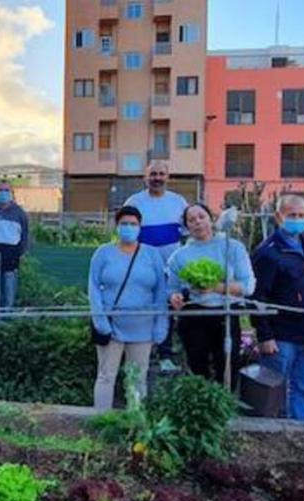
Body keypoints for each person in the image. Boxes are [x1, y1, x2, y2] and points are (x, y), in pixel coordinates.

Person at [250, 194, 304, 421]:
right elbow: (257, 297)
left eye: (302, 215)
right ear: (279, 217)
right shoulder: (267, 252)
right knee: (273, 387)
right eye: (292, 215)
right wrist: (264, 335)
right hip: (281, 336)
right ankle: (271, 431)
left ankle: (298, 430)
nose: (298, 219)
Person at [88, 206, 168, 410]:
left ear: (140, 227)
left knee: (138, 379)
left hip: (143, 328)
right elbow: (94, 287)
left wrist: (161, 325)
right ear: (116, 226)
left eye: (133, 224)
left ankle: (136, 424)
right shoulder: (103, 253)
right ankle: (102, 420)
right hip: (111, 326)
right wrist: (100, 321)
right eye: (124, 224)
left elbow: (161, 291)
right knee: (106, 376)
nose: (128, 228)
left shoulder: (152, 254)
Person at [167, 203, 256, 381]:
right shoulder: (179, 256)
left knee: (227, 367)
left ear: (211, 219)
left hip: (226, 316)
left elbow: (248, 286)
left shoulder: (233, 247)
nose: (197, 222)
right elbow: (172, 288)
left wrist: (215, 287)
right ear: (186, 226)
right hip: (194, 315)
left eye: (201, 217)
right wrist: (174, 297)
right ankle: (203, 404)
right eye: (191, 220)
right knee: (197, 367)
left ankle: (226, 405)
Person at [124, 160, 188, 371]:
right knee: (143, 310)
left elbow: (188, 235)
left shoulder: (179, 202)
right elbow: (126, 234)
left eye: (161, 174)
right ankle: (141, 351)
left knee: (167, 311)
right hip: (143, 268)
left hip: (171, 271)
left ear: (168, 177)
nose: (157, 178)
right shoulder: (134, 202)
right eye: (153, 174)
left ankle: (165, 354)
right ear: (145, 177)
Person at [0, 179, 30, 309]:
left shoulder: (20, 213)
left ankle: (7, 320)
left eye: (6, 190)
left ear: (12, 193)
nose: (3, 193)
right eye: (0, 190)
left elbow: (25, 236)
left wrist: (22, 253)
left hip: (11, 256)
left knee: (8, 292)